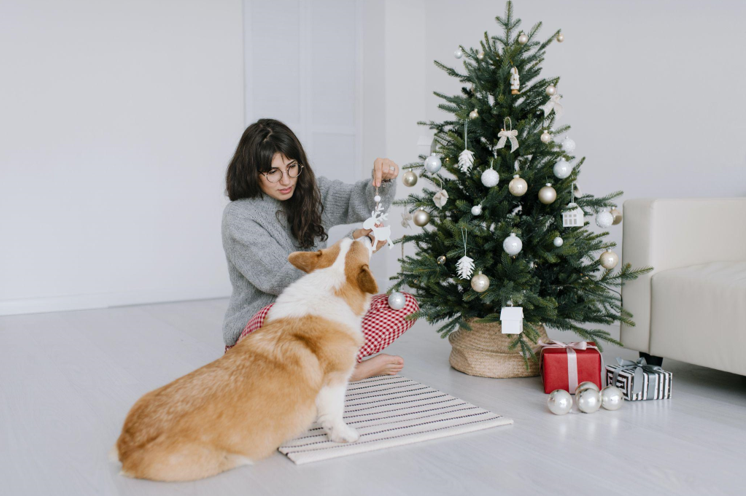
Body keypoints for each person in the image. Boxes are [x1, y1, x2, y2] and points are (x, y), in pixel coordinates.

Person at [221, 118, 419, 381]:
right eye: (273, 172)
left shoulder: (311, 192)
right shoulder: (239, 216)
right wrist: (354, 246)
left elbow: (359, 202)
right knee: (283, 315)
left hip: (321, 318)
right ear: (252, 172)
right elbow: (282, 279)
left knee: (404, 305)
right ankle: (347, 371)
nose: (286, 179)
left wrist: (382, 181)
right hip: (264, 331)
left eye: (292, 167)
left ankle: (324, 370)